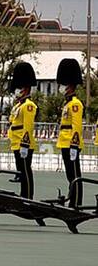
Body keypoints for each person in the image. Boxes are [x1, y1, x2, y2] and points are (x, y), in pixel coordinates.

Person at [56, 58, 84, 209]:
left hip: (70, 143)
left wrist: (74, 145)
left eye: (64, 84)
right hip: (64, 142)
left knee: (75, 176)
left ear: (70, 85)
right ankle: (73, 199)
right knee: (70, 175)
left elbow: (76, 126)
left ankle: (77, 202)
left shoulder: (75, 104)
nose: (61, 87)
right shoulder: (67, 103)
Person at [6, 62, 37, 200]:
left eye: (19, 88)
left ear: (25, 88)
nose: (16, 91)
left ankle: (28, 195)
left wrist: (25, 144)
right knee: (21, 172)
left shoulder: (29, 106)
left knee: (25, 171)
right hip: (16, 143)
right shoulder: (19, 105)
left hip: (23, 144)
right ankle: (24, 194)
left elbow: (28, 127)